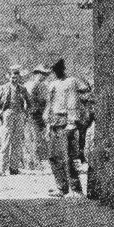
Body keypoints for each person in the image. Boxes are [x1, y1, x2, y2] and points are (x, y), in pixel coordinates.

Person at [43, 58, 83, 197]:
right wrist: (48, 124)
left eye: (57, 70)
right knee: (53, 156)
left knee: (68, 156)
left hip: (66, 121)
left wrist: (72, 122)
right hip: (54, 121)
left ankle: (76, 189)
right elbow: (49, 105)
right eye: (53, 70)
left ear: (62, 69)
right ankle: (61, 187)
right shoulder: (52, 84)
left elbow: (73, 102)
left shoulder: (70, 82)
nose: (55, 73)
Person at [0, 64, 31, 176]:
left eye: (16, 77)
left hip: (19, 115)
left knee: (17, 141)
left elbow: (29, 102)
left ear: (19, 77)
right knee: (6, 141)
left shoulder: (22, 89)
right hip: (7, 115)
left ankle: (14, 168)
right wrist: (0, 114)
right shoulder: (3, 88)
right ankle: (2, 168)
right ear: (8, 77)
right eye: (12, 77)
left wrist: (26, 113)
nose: (14, 79)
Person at [23, 64, 50, 169]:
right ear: (37, 74)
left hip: (33, 114)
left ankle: (31, 162)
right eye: (42, 74)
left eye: (45, 74)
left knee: (32, 139)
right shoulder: (37, 85)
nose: (44, 76)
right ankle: (34, 162)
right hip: (33, 114)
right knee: (33, 139)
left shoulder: (33, 85)